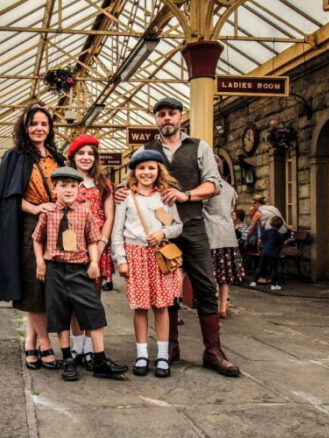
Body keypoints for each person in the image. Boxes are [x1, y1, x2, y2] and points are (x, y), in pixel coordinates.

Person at [115, 97, 240, 377]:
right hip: (158, 234)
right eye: (161, 114)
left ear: (181, 117)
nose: (166, 119)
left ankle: (213, 351)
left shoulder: (198, 147)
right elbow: (129, 183)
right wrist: (120, 192)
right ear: (156, 119)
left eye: (171, 113)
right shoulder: (146, 150)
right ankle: (168, 347)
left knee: (205, 286)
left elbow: (214, 184)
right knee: (166, 292)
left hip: (193, 225)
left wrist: (187, 195)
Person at [0, 102, 65, 371]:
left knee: (50, 288)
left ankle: (30, 342)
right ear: (25, 128)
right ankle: (45, 345)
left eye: (44, 124)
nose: (39, 128)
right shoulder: (14, 156)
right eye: (34, 124)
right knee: (35, 287)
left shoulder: (57, 159)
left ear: (50, 129)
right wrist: (37, 208)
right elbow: (9, 197)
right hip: (29, 227)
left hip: (57, 228)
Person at [33, 166, 128, 381]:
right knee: (60, 315)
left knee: (94, 312)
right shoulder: (48, 212)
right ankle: (68, 360)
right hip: (55, 270)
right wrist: (40, 262)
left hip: (79, 269)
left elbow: (92, 239)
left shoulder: (85, 211)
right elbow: (37, 238)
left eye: (73, 186)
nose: (68, 190)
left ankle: (100, 360)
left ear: (78, 189)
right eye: (63, 186)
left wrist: (94, 261)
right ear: (54, 188)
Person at [111, 150, 182, 378]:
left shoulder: (165, 197)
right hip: (135, 256)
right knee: (140, 307)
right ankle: (141, 354)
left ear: (159, 170)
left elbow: (177, 226)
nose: (146, 172)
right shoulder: (126, 197)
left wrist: (163, 233)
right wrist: (121, 260)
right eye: (141, 168)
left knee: (161, 306)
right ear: (134, 171)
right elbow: (117, 232)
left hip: (159, 256)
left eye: (151, 168)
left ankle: (162, 355)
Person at [66, 134, 115, 368]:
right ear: (73, 156)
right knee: (73, 300)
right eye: (81, 153)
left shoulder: (104, 183)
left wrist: (102, 243)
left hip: (98, 248)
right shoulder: (67, 181)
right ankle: (79, 347)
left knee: (92, 300)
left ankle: (89, 346)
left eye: (90, 154)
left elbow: (109, 215)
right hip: (72, 249)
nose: (86, 158)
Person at [203, 156, 245, 319]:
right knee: (224, 275)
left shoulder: (207, 187)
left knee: (208, 274)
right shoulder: (229, 188)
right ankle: (222, 307)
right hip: (228, 235)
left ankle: (209, 305)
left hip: (210, 233)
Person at [250, 216, 285, 290]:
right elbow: (282, 244)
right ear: (280, 226)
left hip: (264, 252)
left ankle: (253, 281)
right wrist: (288, 241)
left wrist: (259, 248)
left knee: (260, 267)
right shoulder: (279, 234)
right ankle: (273, 285)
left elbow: (260, 241)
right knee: (273, 269)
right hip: (273, 253)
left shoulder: (266, 232)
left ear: (271, 223)